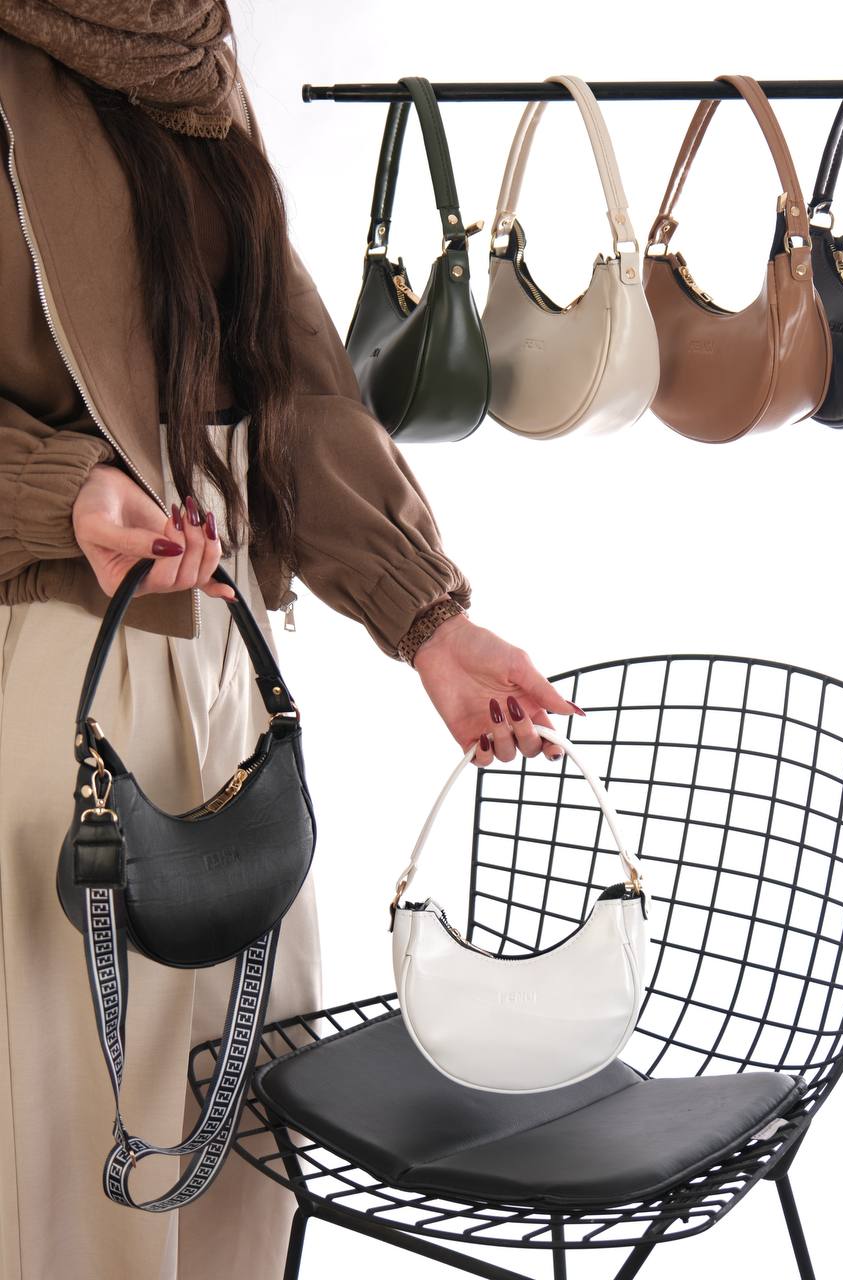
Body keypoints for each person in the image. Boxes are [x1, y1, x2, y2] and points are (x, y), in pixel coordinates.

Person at [0, 4, 580, 1277]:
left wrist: (427, 617)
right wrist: (61, 493)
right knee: (70, 1180)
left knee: (242, 1146)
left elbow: (289, 369)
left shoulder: (180, 49)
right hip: (46, 662)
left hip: (229, 668)